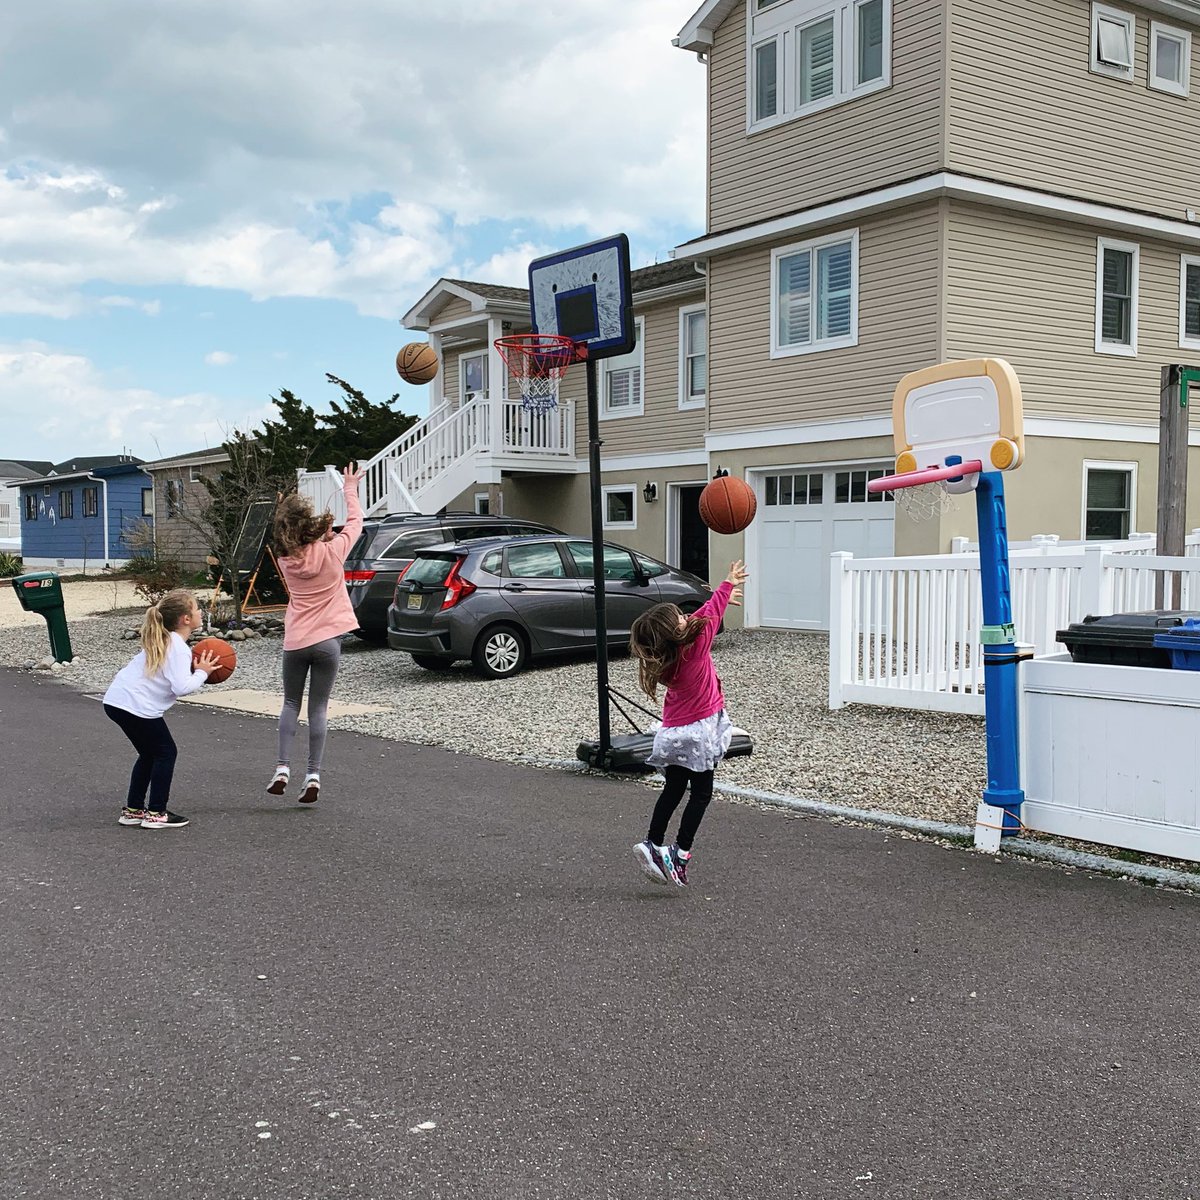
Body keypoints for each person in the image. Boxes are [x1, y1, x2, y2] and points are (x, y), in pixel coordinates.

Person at [628, 560, 749, 887]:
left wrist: (718, 600)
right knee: (702, 793)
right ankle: (679, 854)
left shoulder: (665, 657)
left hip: (673, 733)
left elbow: (697, 621)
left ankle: (653, 844)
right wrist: (725, 586)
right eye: (680, 617)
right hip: (697, 734)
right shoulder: (694, 648)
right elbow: (708, 618)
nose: (686, 616)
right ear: (676, 632)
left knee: (674, 787)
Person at [268, 463, 365, 804]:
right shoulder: (334, 550)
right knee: (318, 708)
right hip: (328, 642)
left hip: (296, 641)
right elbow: (356, 522)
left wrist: (284, 512)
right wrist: (349, 487)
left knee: (291, 703)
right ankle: (313, 775)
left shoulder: (284, 560)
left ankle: (282, 768)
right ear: (312, 526)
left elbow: (288, 538)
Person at [103, 590, 221, 830]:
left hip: (117, 701)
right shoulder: (177, 646)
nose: (200, 612)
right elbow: (181, 687)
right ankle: (157, 813)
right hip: (135, 706)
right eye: (197, 608)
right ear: (185, 619)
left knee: (150, 754)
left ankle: (133, 810)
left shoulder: (165, 640)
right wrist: (203, 672)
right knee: (166, 753)